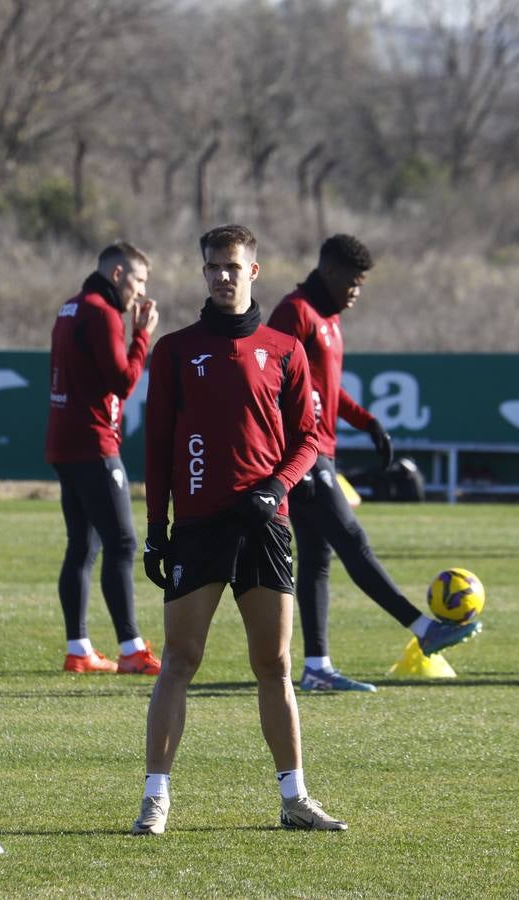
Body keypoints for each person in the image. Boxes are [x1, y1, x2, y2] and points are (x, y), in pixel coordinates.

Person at [134, 224, 345, 835]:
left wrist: (277, 488)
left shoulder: (285, 349)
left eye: (232, 266)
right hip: (198, 527)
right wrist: (155, 528)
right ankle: (155, 797)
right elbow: (159, 448)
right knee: (179, 660)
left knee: (274, 663)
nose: (222, 276)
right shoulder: (174, 351)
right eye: (213, 266)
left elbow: (308, 439)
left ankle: (294, 798)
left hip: (265, 525)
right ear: (203, 272)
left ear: (253, 271)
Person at [267, 235, 481, 692]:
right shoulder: (294, 312)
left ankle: (317, 668)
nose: (356, 292)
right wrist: (291, 452)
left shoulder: (328, 318)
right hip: (302, 452)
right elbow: (271, 380)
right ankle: (424, 629)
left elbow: (326, 387)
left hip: (319, 450)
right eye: (353, 282)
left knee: (318, 560)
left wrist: (368, 422)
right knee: (352, 539)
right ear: (329, 271)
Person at [45, 242, 162, 676]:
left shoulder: (70, 307)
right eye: (138, 280)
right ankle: (131, 649)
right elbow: (123, 381)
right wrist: (142, 336)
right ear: (117, 275)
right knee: (122, 543)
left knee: (83, 544)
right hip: (93, 444)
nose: (141, 290)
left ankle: (79, 649)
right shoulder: (102, 312)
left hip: (64, 441)